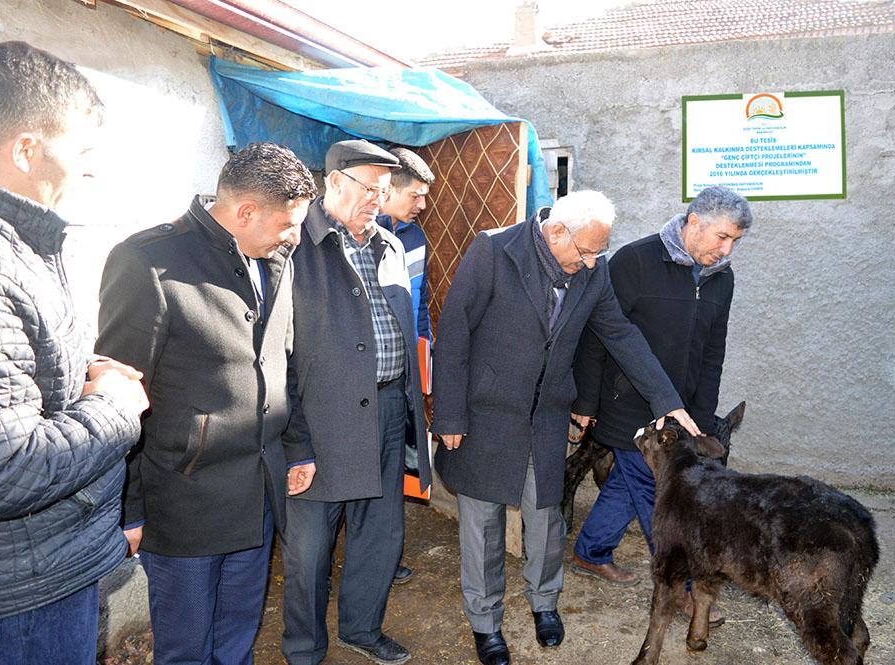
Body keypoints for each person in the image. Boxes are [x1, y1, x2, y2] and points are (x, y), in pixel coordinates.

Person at [431, 190, 701, 665]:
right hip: (484, 414)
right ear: (556, 232)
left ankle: (544, 603)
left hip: (545, 418)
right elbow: (454, 331)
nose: (594, 262)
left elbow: (620, 335)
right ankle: (486, 622)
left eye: (599, 251)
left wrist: (668, 402)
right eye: (586, 251)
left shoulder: (590, 274)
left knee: (545, 518)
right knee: (483, 527)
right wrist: (449, 413)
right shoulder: (493, 252)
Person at [95, 142, 318, 665]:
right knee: (187, 647)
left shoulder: (276, 259)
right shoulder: (149, 262)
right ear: (245, 212)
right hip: (185, 501)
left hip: (257, 491)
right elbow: (120, 396)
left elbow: (280, 362)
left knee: (238, 633)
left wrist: (298, 445)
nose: (295, 237)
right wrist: (127, 509)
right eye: (288, 224)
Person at [0, 41, 149, 665]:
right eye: (82, 150)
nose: (90, 170)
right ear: (27, 149)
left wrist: (82, 383)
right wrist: (113, 406)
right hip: (23, 588)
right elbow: (6, 466)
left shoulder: (24, 244)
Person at [570, 186, 751, 623]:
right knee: (662, 498)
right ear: (693, 223)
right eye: (721, 237)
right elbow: (597, 335)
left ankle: (591, 551)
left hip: (682, 411)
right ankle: (685, 590)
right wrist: (586, 400)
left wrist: (703, 419)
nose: (726, 250)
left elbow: (713, 352)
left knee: (628, 487)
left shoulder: (720, 278)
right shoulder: (635, 261)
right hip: (630, 406)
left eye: (735, 242)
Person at [282, 139, 432, 665]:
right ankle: (303, 648)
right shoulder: (296, 246)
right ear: (336, 182)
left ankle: (362, 629)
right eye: (371, 188)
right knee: (309, 547)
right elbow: (279, 353)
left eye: (385, 190)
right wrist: (294, 437)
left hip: (388, 410)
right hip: (321, 416)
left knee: (380, 530)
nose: (379, 198)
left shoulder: (388, 246)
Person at [377, 145, 435, 585]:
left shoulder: (415, 238)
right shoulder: (361, 233)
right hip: (362, 375)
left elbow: (419, 305)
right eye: (415, 195)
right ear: (387, 189)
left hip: (403, 372)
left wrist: (425, 352)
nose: (422, 204)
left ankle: (386, 555)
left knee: (399, 465)